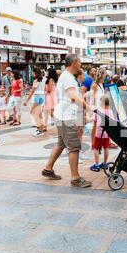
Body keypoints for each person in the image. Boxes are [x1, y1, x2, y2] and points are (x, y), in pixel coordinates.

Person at [42, 54, 94, 188]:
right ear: (75, 63)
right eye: (80, 62)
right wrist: (88, 108)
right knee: (74, 147)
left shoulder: (66, 76)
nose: (81, 65)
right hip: (67, 117)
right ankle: (75, 178)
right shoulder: (69, 78)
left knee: (61, 144)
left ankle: (48, 169)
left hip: (62, 115)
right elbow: (73, 96)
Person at [90, 95, 113, 172]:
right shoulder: (110, 112)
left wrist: (87, 118)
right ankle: (105, 163)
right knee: (106, 148)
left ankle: (96, 165)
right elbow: (112, 122)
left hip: (99, 133)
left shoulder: (98, 111)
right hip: (107, 133)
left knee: (96, 148)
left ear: (102, 103)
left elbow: (94, 120)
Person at [25, 68, 46, 136]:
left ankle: (40, 129)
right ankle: (40, 128)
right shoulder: (44, 79)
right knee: (38, 114)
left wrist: (26, 101)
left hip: (37, 97)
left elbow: (32, 92)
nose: (32, 74)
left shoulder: (36, 80)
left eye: (33, 73)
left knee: (34, 113)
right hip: (42, 97)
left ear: (35, 73)